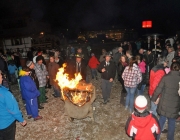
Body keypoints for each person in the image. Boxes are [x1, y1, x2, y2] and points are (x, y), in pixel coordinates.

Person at [152, 62, 180, 140]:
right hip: (174, 105)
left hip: (164, 103)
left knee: (161, 121)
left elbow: (158, 89)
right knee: (172, 123)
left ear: (170, 68)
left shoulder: (166, 77)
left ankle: (157, 137)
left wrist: (154, 99)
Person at [0, 70, 27, 140]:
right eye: (0, 76)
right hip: (6, 124)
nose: (2, 78)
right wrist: (21, 120)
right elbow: (13, 109)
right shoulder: (5, 93)